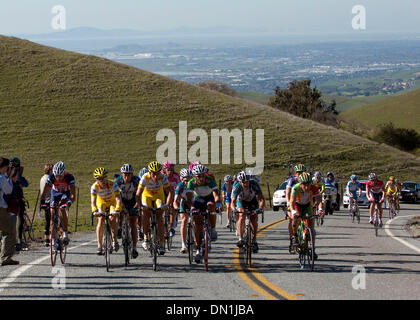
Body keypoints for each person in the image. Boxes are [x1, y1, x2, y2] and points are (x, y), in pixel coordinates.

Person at [136, 161, 172, 256]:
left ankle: (161, 243)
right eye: (153, 174)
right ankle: (145, 238)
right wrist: (140, 206)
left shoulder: (163, 177)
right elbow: (138, 194)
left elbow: (170, 193)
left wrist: (167, 205)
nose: (156, 176)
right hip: (146, 197)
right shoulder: (145, 178)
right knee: (145, 215)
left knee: (160, 218)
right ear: (150, 172)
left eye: (158, 173)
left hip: (159, 197)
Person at [186, 164, 220, 263]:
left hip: (209, 198)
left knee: (211, 207)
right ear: (194, 177)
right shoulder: (191, 183)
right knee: (198, 225)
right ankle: (198, 249)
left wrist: (216, 204)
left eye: (203, 175)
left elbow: (216, 195)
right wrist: (192, 208)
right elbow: (189, 198)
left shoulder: (210, 180)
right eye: (199, 176)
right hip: (198, 200)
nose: (202, 178)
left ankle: (212, 229)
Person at [40, 161, 75, 246]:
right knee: (52, 213)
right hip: (55, 193)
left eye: (60, 176)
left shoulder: (69, 177)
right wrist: (42, 202)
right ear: (53, 174)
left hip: (65, 194)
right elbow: (45, 192)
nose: (58, 178)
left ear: (64, 174)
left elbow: (73, 195)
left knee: (62, 209)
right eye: (56, 176)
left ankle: (65, 233)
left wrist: (69, 202)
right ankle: (53, 239)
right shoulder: (51, 177)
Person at [290, 172, 323, 260]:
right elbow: (292, 202)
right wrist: (293, 211)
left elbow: (319, 200)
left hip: (307, 205)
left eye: (308, 184)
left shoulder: (314, 188)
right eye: (304, 184)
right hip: (297, 205)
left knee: (311, 227)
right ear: (300, 184)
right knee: (294, 220)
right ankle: (295, 237)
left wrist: (320, 210)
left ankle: (312, 249)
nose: (307, 187)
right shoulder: (295, 188)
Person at [231, 171, 265, 253]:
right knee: (242, 215)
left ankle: (254, 240)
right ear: (240, 182)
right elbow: (233, 202)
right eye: (243, 182)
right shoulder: (237, 186)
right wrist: (234, 210)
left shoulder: (254, 184)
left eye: (247, 182)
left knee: (253, 218)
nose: (245, 184)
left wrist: (259, 209)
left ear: (249, 180)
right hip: (241, 201)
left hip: (252, 201)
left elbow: (261, 199)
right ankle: (240, 238)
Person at [91, 167, 122, 255]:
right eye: (100, 179)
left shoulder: (113, 184)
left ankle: (114, 239)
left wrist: (118, 208)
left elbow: (118, 198)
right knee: (100, 219)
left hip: (112, 202)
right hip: (101, 203)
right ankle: (99, 245)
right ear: (96, 179)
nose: (103, 181)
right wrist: (94, 210)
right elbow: (93, 202)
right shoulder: (94, 187)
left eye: (104, 178)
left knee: (112, 218)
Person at [114, 164, 140, 259]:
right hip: (121, 200)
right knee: (120, 212)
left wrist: (137, 205)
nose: (127, 176)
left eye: (129, 174)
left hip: (133, 200)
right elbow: (116, 197)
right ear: (122, 174)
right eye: (125, 174)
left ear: (132, 174)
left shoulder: (136, 181)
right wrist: (121, 206)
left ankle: (134, 247)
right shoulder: (117, 181)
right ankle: (120, 227)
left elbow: (140, 194)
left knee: (133, 222)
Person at [3, 157, 29, 251]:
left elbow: (25, 183)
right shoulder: (13, 174)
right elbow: (25, 183)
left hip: (11, 199)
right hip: (14, 199)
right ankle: (17, 241)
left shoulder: (7, 173)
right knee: (18, 220)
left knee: (17, 220)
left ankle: (15, 241)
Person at [0, 157, 19, 266]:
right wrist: (10, 178)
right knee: (9, 231)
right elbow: (8, 190)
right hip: (1, 208)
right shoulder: (2, 178)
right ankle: (5, 257)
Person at [286, 164, 306, 254]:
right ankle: (292, 238)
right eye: (298, 172)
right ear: (296, 173)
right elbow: (288, 193)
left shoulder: (306, 180)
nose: (300, 174)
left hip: (303, 203)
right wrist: (288, 204)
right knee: (292, 219)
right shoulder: (292, 180)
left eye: (302, 172)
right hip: (292, 202)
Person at [173, 168, 192, 253]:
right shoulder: (179, 186)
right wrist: (176, 208)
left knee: (196, 220)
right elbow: (175, 200)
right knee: (184, 221)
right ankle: (183, 244)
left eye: (190, 179)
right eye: (185, 180)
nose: (187, 181)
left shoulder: (194, 184)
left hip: (194, 203)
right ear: (181, 179)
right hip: (183, 203)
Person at [162, 161, 180, 237]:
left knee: (172, 207)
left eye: (172, 170)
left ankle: (172, 227)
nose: (170, 172)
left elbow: (179, 187)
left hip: (172, 192)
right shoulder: (161, 176)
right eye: (168, 170)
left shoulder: (176, 176)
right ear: (164, 170)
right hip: (163, 193)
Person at [40, 164, 54, 247]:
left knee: (47, 220)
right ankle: (52, 238)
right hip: (49, 200)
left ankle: (46, 239)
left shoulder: (42, 178)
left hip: (44, 201)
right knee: (52, 220)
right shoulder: (50, 178)